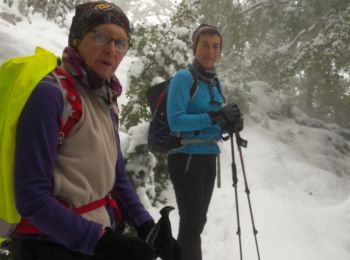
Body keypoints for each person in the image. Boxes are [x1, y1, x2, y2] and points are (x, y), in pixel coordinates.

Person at [11, 2, 178, 260]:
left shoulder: (105, 100)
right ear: (76, 39)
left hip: (92, 241)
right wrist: (101, 242)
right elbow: (31, 198)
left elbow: (116, 176)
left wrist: (146, 226)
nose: (111, 49)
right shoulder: (51, 95)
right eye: (100, 36)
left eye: (121, 42)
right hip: (48, 246)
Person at [166, 24, 243, 260]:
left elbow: (212, 122)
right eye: (205, 45)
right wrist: (214, 116)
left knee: (197, 223)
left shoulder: (213, 81)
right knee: (191, 225)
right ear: (195, 47)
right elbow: (176, 121)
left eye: (215, 46)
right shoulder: (183, 78)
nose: (210, 51)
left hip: (208, 157)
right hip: (186, 157)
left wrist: (228, 123)